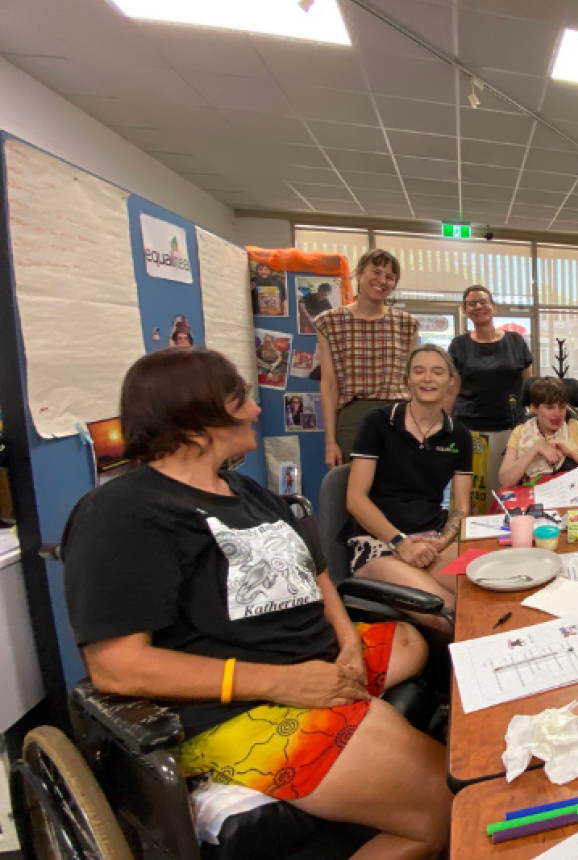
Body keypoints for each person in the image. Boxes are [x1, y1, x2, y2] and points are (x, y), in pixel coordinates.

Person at [62, 348, 449, 859]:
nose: (255, 408)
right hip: (241, 703)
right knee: (445, 808)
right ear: (196, 420)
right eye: (239, 399)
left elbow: (319, 576)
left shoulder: (247, 492)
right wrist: (286, 682)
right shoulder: (123, 512)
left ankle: (356, 732)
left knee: (413, 643)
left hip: (307, 659)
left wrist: (349, 646)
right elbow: (116, 666)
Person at [347, 344, 472, 625]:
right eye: (419, 371)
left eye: (437, 372)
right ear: (407, 380)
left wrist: (443, 541)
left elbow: (462, 506)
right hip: (379, 543)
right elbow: (355, 499)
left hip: (431, 540)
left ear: (450, 381)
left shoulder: (460, 435)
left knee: (484, 591)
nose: (428, 378)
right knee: (447, 614)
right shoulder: (378, 422)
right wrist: (400, 543)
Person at [315, 249, 420, 467]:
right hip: (353, 419)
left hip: (399, 416)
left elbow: (413, 382)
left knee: (399, 483)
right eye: (376, 272)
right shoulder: (330, 322)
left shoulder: (407, 324)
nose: (382, 280)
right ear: (360, 273)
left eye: (389, 277)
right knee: (352, 483)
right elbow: (329, 385)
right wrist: (330, 443)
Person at [449, 285, 533, 496]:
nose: (478, 306)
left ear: (494, 307)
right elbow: (451, 390)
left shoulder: (516, 341)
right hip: (471, 429)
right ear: (465, 311)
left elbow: (529, 386)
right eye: (472, 304)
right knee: (472, 493)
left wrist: (534, 423)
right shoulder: (458, 345)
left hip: (511, 428)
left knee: (509, 489)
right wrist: (446, 427)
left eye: (483, 301)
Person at [499, 376, 578, 487]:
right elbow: (505, 481)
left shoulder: (574, 426)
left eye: (562, 407)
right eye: (550, 407)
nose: (557, 414)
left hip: (572, 491)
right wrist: (536, 449)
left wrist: (570, 453)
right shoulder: (520, 432)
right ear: (534, 408)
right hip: (535, 493)